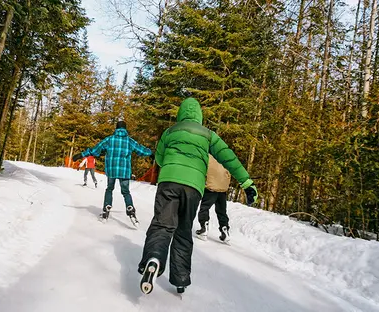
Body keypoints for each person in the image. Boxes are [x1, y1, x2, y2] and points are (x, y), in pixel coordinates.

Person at [138, 97, 258, 295]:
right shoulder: (209, 135)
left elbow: (159, 159)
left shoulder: (170, 131)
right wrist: (247, 183)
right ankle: (180, 279)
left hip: (169, 182)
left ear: (180, 114)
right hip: (193, 188)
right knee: (183, 231)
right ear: (200, 116)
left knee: (162, 224)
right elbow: (229, 158)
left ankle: (154, 258)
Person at [72, 121, 152, 224]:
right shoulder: (129, 141)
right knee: (126, 192)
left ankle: (106, 208)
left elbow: (95, 150)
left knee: (109, 189)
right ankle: (130, 209)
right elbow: (142, 150)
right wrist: (152, 153)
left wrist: (81, 154)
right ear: (125, 129)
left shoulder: (109, 139)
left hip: (111, 170)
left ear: (116, 128)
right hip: (124, 171)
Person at [195, 154, 232, 244]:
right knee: (221, 211)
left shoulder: (207, 156)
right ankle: (225, 229)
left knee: (205, 207)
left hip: (211, 188)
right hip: (222, 189)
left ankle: (204, 227)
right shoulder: (224, 156)